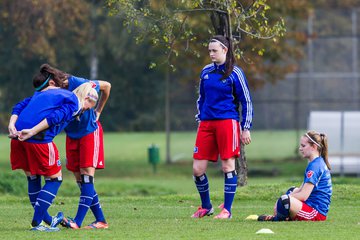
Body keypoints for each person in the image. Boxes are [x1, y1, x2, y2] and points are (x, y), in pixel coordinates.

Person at [8, 71, 98, 232]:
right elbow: (55, 118)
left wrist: (11, 125)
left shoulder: (39, 94)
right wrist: (33, 131)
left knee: (33, 178)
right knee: (54, 180)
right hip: (39, 141)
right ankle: (37, 223)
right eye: (91, 100)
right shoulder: (72, 100)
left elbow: (19, 106)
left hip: (17, 139)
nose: (91, 105)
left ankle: (48, 220)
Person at [38, 64, 111, 229]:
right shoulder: (52, 92)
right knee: (80, 179)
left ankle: (77, 222)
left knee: (87, 177)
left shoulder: (77, 83)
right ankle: (101, 221)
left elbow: (106, 86)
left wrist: (98, 111)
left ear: (52, 84)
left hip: (89, 132)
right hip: (72, 136)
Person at [191, 35, 253, 219]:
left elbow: (246, 101)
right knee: (197, 169)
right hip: (206, 123)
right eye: (209, 50)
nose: (211, 54)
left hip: (228, 122)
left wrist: (246, 127)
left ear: (225, 50)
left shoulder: (235, 73)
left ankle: (227, 210)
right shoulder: (206, 71)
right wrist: (200, 119)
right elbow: (201, 99)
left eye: (214, 50)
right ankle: (206, 206)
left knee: (227, 166)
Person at [258, 130, 332, 221]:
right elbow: (301, 189)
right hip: (310, 206)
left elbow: (304, 195)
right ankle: (284, 215)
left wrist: (280, 201)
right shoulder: (315, 163)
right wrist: (286, 197)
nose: (300, 149)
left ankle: (275, 219)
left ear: (314, 147)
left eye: (303, 146)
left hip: (315, 213)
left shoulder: (315, 166)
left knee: (284, 200)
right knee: (291, 190)